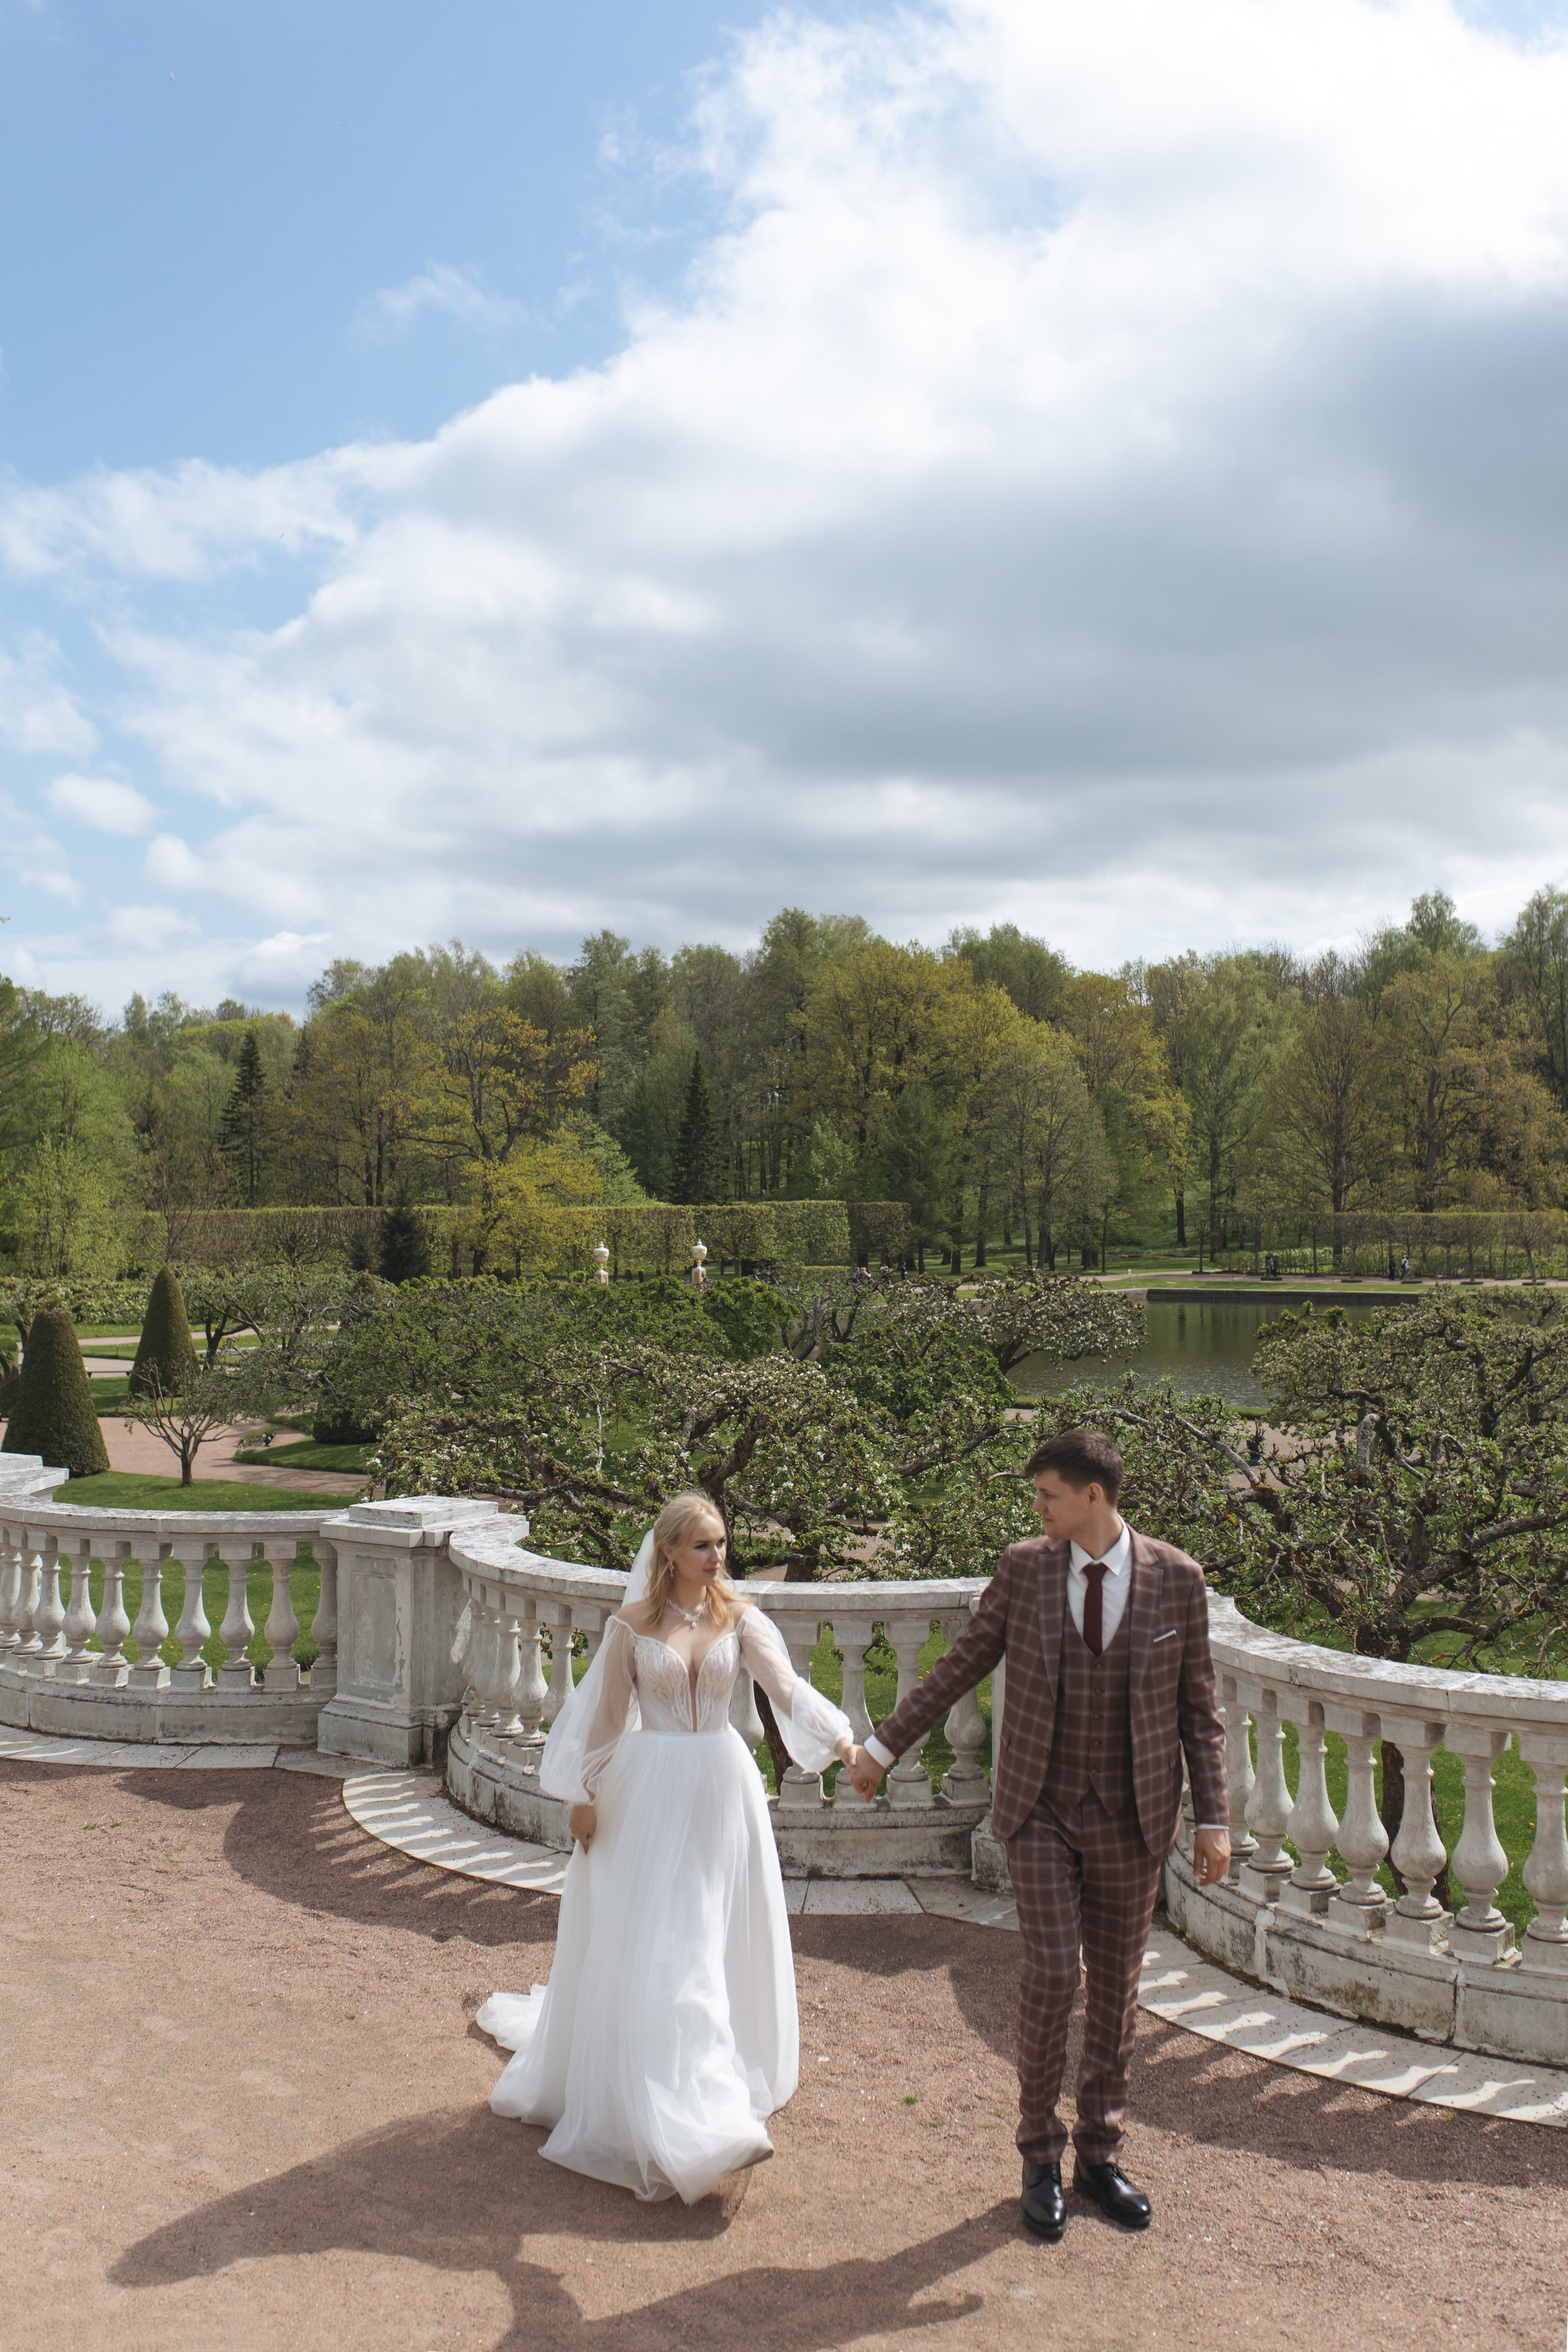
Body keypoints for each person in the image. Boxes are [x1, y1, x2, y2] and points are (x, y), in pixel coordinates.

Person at [845, 1428, 1229, 2242]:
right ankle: (1039, 2158)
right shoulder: (1024, 1568)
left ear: (1093, 1495)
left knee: (1119, 1989)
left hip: (1134, 1812)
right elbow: (961, 1665)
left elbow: (1202, 1712)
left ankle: (1100, 2155)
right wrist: (883, 1745)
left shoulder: (1179, 1580)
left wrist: (1216, 1819)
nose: (1036, 1508)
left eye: (1047, 1494)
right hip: (1041, 1808)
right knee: (1054, 1971)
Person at [477, 1493, 854, 2204]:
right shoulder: (631, 1625)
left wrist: (841, 1741)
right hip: (646, 1794)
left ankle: (703, 2102)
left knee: (702, 1937)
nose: (719, 1558)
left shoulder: (741, 1620)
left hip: (718, 1793)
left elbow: (789, 1691)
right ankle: (698, 2119)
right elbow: (606, 1719)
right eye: (705, 1546)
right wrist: (583, 1799)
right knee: (667, 1941)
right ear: (670, 1553)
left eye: (723, 1544)